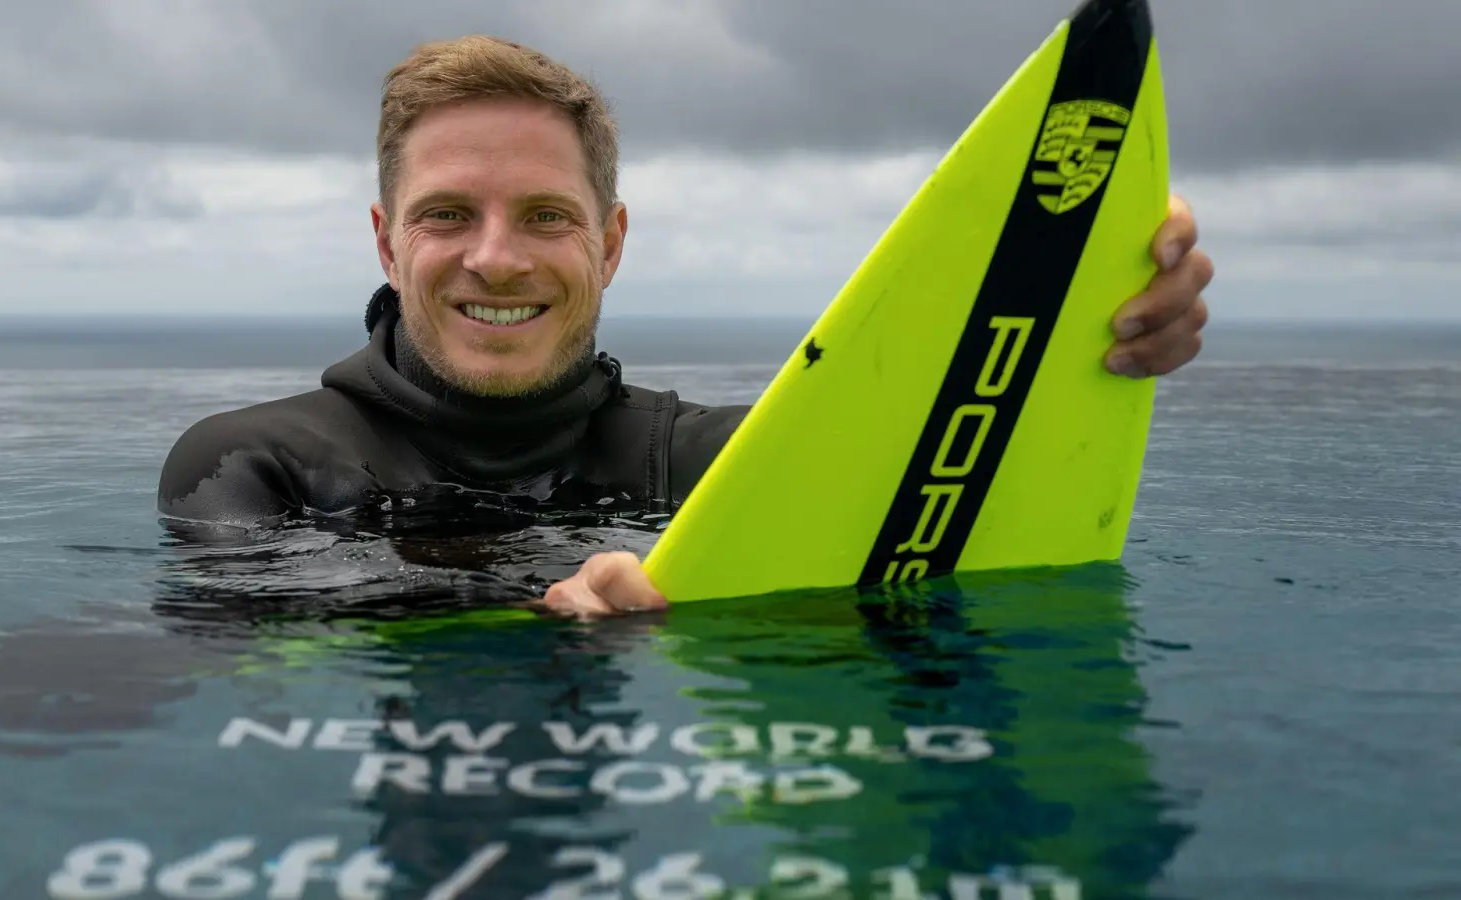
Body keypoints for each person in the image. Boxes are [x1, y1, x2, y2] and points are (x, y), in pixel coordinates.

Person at [158, 35, 1214, 621]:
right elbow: (262, 629)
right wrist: (546, 594)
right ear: (388, 244)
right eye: (447, 215)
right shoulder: (258, 462)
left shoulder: (716, 461)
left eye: (545, 217)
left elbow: (944, 499)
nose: (495, 257)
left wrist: (1099, 325)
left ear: (609, 245)